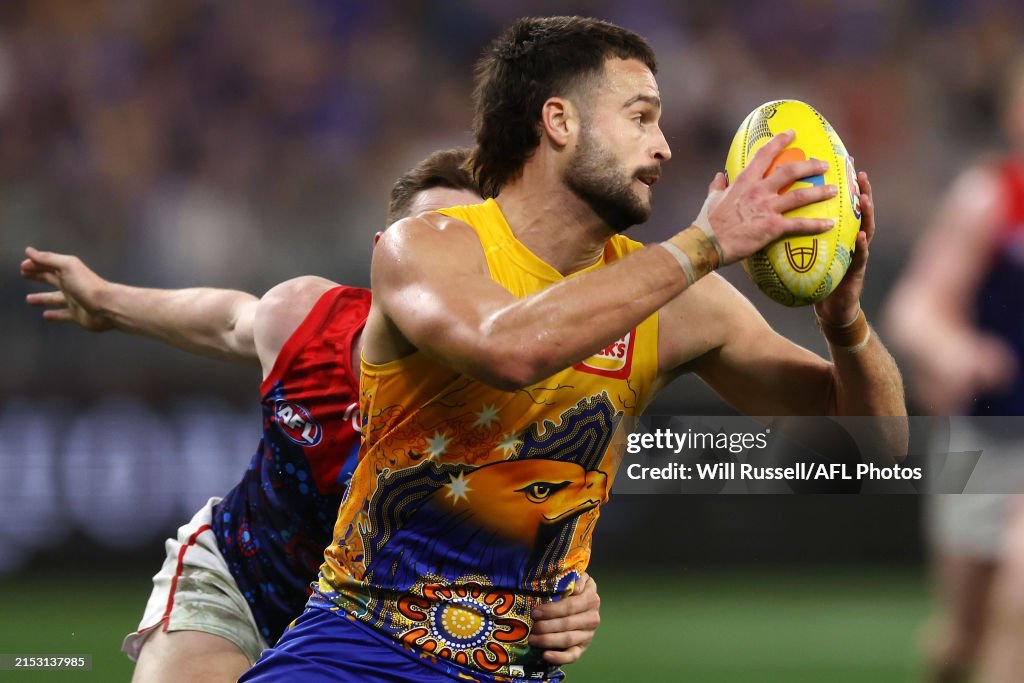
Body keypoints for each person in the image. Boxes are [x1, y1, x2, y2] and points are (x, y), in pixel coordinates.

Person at [242, 15, 906, 683]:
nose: (665, 147)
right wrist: (703, 244)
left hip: (521, 670)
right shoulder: (431, 245)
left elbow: (876, 442)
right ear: (559, 122)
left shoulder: (678, 302)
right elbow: (508, 348)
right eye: (641, 117)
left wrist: (844, 321)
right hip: (359, 652)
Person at [20, 148, 603, 683]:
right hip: (244, 583)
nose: (450, 272)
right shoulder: (308, 322)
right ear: (386, 256)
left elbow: (543, 551)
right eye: (432, 244)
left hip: (386, 632)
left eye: (474, 251)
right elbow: (229, 321)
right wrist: (106, 301)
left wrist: (574, 598)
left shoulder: (528, 404)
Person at [883, 58, 1024, 683]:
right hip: (991, 434)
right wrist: (957, 351)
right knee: (960, 637)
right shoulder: (992, 197)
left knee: (1019, 598)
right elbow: (914, 309)